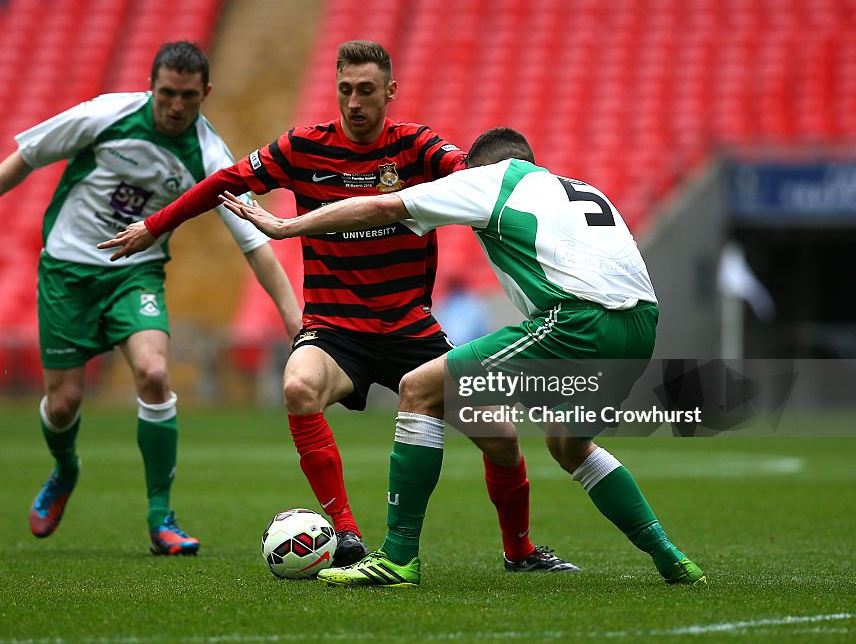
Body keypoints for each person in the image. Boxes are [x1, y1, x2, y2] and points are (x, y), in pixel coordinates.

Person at [99, 41, 577, 572]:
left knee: (503, 438)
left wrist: (545, 197)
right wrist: (153, 225)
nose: (354, 102)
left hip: (409, 328)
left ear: (389, 92)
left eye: (367, 90)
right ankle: (345, 534)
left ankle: (521, 552)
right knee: (298, 386)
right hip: (334, 327)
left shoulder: (415, 147)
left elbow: (475, 174)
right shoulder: (303, 148)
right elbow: (223, 182)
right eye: (345, 89)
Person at [221, 126, 707, 587]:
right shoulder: (577, 187)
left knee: (418, 387)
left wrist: (288, 226)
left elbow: (382, 207)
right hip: (642, 326)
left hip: (579, 321)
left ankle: (396, 558)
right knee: (567, 443)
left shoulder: (490, 180)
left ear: (480, 168)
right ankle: (671, 558)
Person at [0, 41, 301, 555]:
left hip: (136, 274)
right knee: (64, 402)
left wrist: (294, 321)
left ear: (206, 93)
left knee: (155, 374)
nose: (176, 106)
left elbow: (256, 244)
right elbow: (26, 156)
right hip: (67, 271)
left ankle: (161, 518)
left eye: (188, 97)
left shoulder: (209, 154)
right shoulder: (105, 114)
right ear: (151, 86)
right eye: (167, 93)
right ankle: (65, 468)